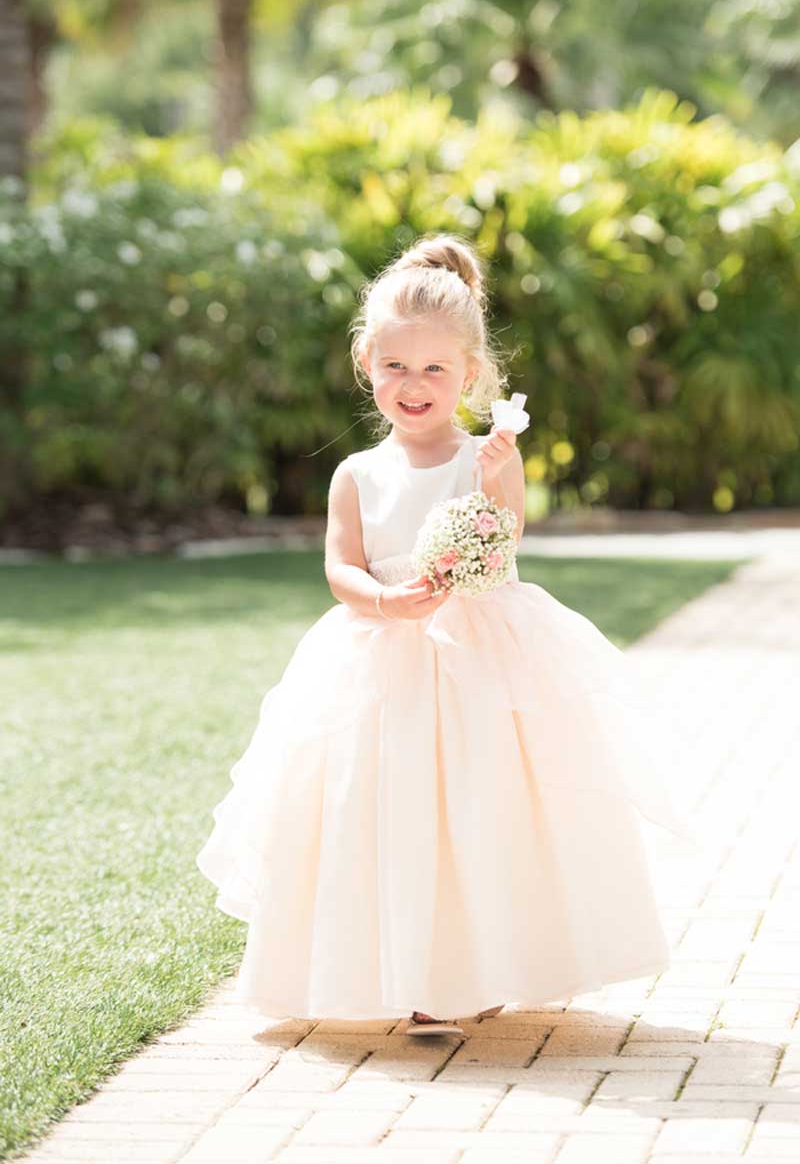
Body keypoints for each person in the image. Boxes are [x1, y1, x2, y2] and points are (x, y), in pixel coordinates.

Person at [196, 232, 698, 1037]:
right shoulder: (355, 473)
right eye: (396, 366)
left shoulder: (481, 456)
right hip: (380, 659)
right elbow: (342, 568)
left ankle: (476, 968)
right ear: (368, 364)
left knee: (480, 806)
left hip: (478, 661)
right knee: (382, 809)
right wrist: (384, 602)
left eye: (435, 369)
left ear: (471, 374)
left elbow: (506, 535)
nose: (414, 384)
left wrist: (498, 469)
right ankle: (391, 967)